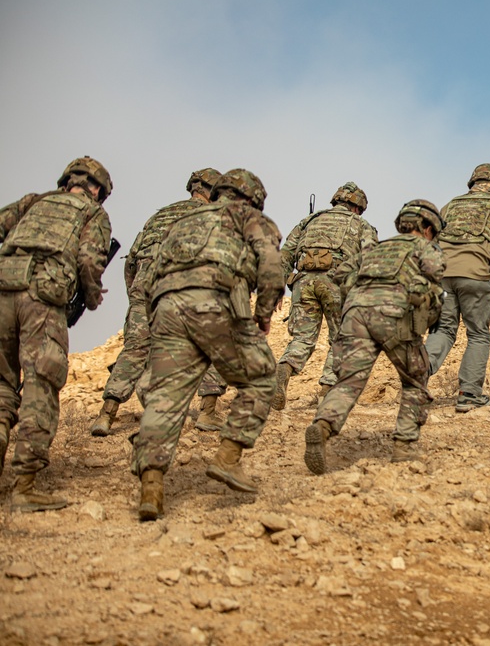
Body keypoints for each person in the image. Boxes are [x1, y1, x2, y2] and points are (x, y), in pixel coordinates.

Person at [129, 169, 283, 521]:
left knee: (166, 395)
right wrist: (263, 314)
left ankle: (151, 486)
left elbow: (146, 277)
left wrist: (157, 312)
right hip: (216, 302)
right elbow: (272, 267)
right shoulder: (250, 218)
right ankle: (228, 459)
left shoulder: (181, 221)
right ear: (252, 198)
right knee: (260, 377)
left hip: (168, 307)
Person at [0, 156, 113, 510]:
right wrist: (92, 296)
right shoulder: (93, 214)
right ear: (96, 189)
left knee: (2, 387)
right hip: (43, 299)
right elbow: (89, 261)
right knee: (40, 384)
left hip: (3, 290)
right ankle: (23, 485)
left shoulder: (33, 202)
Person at [304, 200, 445, 473]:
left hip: (355, 315)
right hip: (394, 315)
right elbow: (436, 271)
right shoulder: (424, 247)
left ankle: (322, 427)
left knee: (348, 382)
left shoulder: (376, 248)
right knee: (415, 379)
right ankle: (404, 447)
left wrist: (358, 295)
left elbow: (341, 273)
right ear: (427, 228)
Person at [91, 168, 223, 436]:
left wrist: (137, 298)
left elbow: (132, 260)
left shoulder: (160, 215)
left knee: (136, 350)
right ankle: (208, 414)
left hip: (145, 288)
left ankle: (105, 416)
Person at [273, 182, 378, 411]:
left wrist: (278, 287)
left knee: (302, 338)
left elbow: (285, 254)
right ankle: (327, 391)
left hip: (303, 283)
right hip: (337, 284)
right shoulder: (361, 225)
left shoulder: (308, 221)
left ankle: (285, 367)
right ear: (357, 207)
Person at [424, 163, 490, 412]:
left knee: (442, 330)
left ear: (472, 183)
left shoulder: (451, 205)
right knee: (477, 334)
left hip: (443, 276)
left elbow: (430, 238)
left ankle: (419, 372)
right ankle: (469, 394)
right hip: (477, 276)